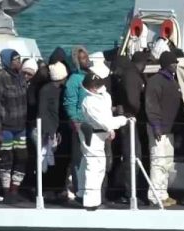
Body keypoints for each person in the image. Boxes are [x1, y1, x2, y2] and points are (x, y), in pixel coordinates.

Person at [79, 74, 128, 210]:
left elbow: (106, 116)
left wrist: (110, 129)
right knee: (94, 166)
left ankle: (83, 194)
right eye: (94, 86)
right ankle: (90, 202)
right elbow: (104, 121)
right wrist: (122, 120)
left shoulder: (105, 95)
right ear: (90, 88)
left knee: (92, 165)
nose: (97, 87)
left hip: (101, 133)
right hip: (91, 135)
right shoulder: (88, 102)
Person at [0, 49, 27, 203]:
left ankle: (15, 189)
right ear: (7, 61)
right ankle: (5, 192)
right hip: (6, 127)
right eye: (15, 60)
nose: (18, 62)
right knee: (6, 159)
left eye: (19, 59)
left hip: (21, 126)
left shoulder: (21, 77)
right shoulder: (1, 78)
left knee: (22, 157)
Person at [145, 51, 182, 207]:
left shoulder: (172, 81)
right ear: (166, 64)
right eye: (173, 63)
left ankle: (163, 193)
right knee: (158, 162)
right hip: (159, 129)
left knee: (166, 163)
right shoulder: (155, 81)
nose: (176, 65)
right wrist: (156, 125)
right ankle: (155, 196)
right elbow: (151, 105)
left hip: (169, 129)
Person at [113, 51, 148, 203]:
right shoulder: (133, 76)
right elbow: (133, 101)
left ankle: (130, 191)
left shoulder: (128, 75)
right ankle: (130, 193)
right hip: (130, 121)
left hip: (127, 120)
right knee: (133, 156)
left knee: (131, 155)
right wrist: (139, 112)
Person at [63, 45, 92, 200]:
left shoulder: (90, 76)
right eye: (82, 58)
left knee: (91, 159)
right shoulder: (74, 80)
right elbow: (70, 103)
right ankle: (78, 190)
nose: (87, 60)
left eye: (86, 57)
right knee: (79, 159)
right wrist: (75, 120)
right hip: (80, 124)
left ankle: (90, 189)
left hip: (93, 124)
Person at [37, 62, 69, 196]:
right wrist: (49, 131)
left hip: (58, 129)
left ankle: (57, 188)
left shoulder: (57, 89)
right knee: (49, 161)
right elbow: (43, 112)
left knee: (59, 161)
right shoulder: (47, 90)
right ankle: (49, 189)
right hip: (51, 131)